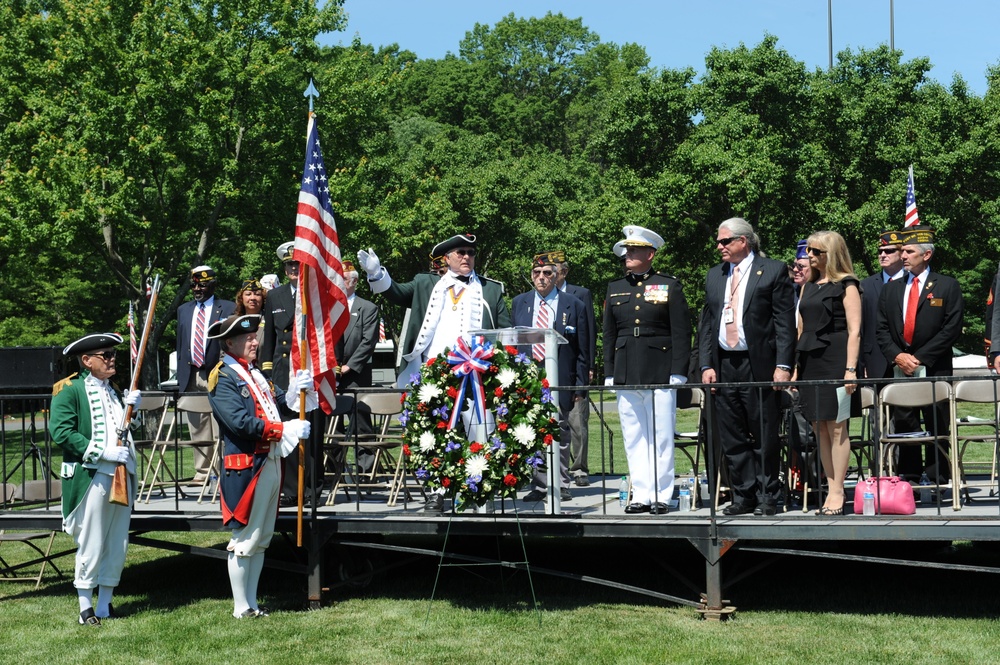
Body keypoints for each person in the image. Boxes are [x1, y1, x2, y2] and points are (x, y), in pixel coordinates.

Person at [357, 233, 511, 513]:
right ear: (447, 258)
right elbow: (394, 292)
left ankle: (480, 488)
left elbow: (506, 332)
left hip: (475, 374)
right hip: (434, 373)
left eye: (471, 253)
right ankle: (435, 492)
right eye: (461, 252)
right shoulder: (426, 283)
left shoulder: (490, 289)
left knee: (481, 429)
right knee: (433, 433)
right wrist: (376, 273)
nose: (467, 257)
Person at [206, 313, 315, 618]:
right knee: (244, 538)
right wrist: (283, 430)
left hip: (270, 461)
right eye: (248, 338)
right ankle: (241, 607)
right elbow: (240, 423)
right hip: (246, 466)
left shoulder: (254, 374)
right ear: (230, 343)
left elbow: (278, 401)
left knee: (261, 538)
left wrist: (294, 391)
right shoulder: (223, 378)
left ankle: (252, 602)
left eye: (255, 337)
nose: (255, 342)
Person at [699, 218, 796, 516]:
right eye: (719, 241)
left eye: (725, 241)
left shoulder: (772, 271)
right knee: (732, 434)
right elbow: (706, 325)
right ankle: (744, 495)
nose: (719, 246)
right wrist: (705, 364)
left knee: (764, 431)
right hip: (725, 364)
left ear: (744, 241)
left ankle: (769, 494)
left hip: (760, 365)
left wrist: (783, 365)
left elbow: (784, 322)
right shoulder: (715, 275)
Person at [49, 333, 141, 626]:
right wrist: (102, 453)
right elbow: (62, 432)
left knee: (117, 541)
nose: (112, 359)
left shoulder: (114, 390)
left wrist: (132, 409)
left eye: (113, 354)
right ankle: (85, 606)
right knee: (91, 540)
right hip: (91, 476)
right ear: (87, 361)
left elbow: (122, 428)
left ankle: (105, 604)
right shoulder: (69, 390)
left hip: (121, 474)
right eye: (106, 355)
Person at [604, 225, 691, 515]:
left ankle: (662, 495)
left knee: (661, 435)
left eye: (634, 250)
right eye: (627, 250)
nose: (627, 254)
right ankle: (640, 493)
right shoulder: (615, 287)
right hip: (627, 368)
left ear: (650, 254)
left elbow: (681, 331)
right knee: (633, 434)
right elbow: (610, 335)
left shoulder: (669, 285)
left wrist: (679, 370)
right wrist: (609, 372)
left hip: (659, 368)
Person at [876, 225, 964, 481]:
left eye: (909, 251)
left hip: (935, 367)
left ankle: (939, 478)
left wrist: (921, 358)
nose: (902, 255)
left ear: (926, 255)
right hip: (900, 368)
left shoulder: (947, 286)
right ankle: (909, 476)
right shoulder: (891, 288)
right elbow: (881, 329)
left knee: (937, 422)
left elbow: (952, 328)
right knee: (905, 425)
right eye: (901, 251)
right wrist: (899, 357)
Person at [512, 251, 590, 503]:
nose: (542, 278)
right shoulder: (520, 303)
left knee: (560, 431)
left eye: (547, 273)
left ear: (556, 276)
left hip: (560, 376)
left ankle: (561, 483)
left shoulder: (573, 304)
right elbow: (513, 343)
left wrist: (581, 386)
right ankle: (540, 484)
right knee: (532, 431)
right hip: (529, 377)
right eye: (537, 273)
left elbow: (583, 349)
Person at [794, 231, 861, 516]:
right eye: (809, 251)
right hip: (810, 361)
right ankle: (830, 485)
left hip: (837, 360)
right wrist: (796, 367)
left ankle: (838, 492)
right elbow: (800, 327)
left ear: (830, 254)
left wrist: (850, 369)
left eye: (816, 252)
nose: (809, 256)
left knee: (837, 427)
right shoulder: (807, 286)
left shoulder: (847, 285)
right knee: (818, 426)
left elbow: (855, 330)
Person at [260, 241, 322, 507]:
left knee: (312, 434)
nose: (294, 269)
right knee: (288, 432)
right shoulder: (275, 297)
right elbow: (269, 341)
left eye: (298, 264)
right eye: (290, 265)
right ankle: (290, 490)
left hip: (310, 374)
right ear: (285, 270)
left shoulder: (317, 293)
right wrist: (268, 374)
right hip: (284, 374)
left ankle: (312, 488)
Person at [175, 266, 235, 483]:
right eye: (194, 285)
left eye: (202, 284)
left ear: (213, 284)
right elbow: (181, 342)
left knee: (220, 423)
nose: (197, 289)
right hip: (191, 374)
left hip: (217, 373)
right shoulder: (183, 309)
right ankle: (202, 472)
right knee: (197, 425)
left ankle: (222, 471)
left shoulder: (228, 307)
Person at [554, 251, 597, 487]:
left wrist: (589, 366)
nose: (550, 275)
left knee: (577, 421)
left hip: (575, 368)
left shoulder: (580, 294)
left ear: (565, 272)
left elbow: (588, 332)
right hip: (552, 368)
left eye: (555, 270)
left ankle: (579, 468)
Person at [334, 259, 380, 473]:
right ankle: (334, 469)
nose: (339, 282)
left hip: (356, 375)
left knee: (361, 422)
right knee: (331, 424)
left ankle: (366, 469)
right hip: (330, 374)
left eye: (343, 279)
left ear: (353, 282)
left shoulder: (367, 308)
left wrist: (349, 366)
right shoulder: (327, 306)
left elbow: (368, 342)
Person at [860, 231, 905, 383]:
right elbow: (860, 326)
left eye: (889, 251)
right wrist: (861, 362)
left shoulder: (912, 283)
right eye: (880, 251)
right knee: (878, 405)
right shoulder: (865, 286)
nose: (883, 255)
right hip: (874, 359)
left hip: (906, 358)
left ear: (902, 253)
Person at [234, 278, 266, 344]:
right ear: (241, 298)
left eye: (257, 294)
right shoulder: (233, 321)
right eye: (248, 294)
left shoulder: (270, 320)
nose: (252, 298)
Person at [791, 240, 810, 316]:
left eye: (800, 266)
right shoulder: (790, 291)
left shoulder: (824, 291)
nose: (795, 269)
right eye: (794, 265)